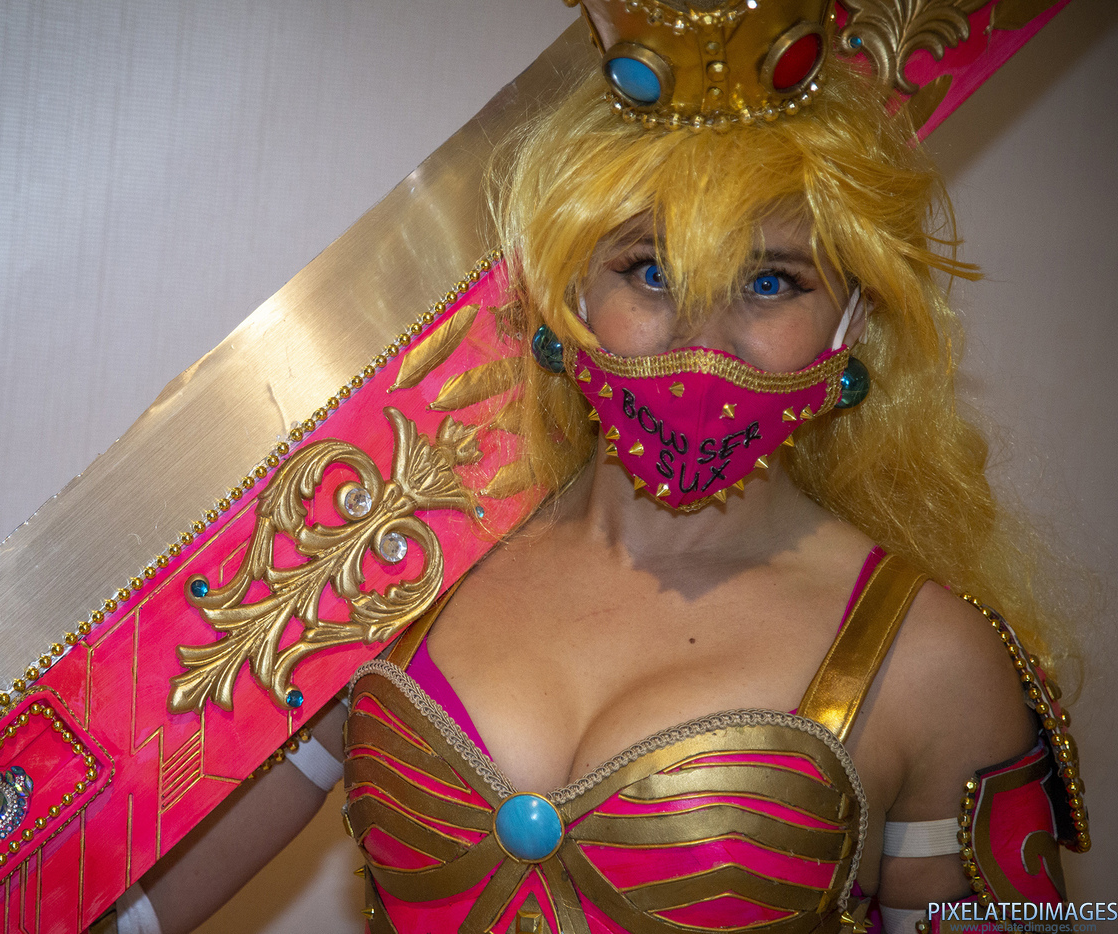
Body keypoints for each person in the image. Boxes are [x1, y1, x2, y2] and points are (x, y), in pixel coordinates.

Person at [124, 3, 1087, 933]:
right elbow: (113, 907)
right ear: (568, 288)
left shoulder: (934, 660)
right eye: (651, 271)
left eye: (769, 282)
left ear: (853, 320)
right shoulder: (394, 582)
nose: (701, 339)